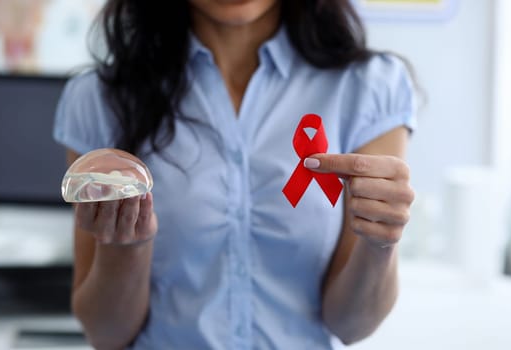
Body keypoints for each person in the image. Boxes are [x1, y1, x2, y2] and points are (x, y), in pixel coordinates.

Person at [53, 1, 417, 349]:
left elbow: (352, 326)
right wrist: (125, 248)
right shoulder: (98, 100)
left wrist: (379, 244)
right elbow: (105, 336)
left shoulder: (369, 88)